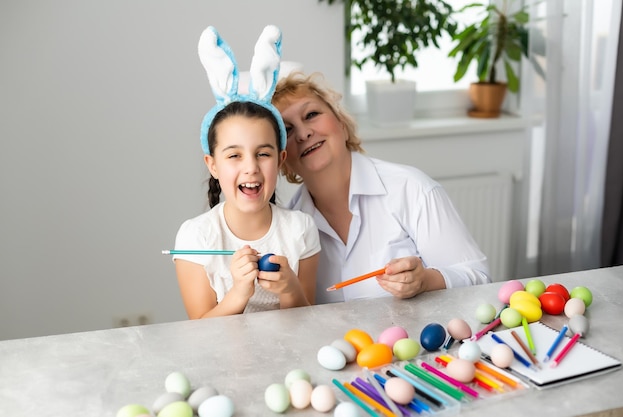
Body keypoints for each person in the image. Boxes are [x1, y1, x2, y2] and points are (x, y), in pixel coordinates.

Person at [272, 72, 491, 303]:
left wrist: (426, 280)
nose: (304, 133)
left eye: (312, 114)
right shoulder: (288, 226)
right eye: (287, 130)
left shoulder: (412, 189)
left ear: (342, 123)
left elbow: (480, 279)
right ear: (282, 160)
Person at [171, 26, 320, 318]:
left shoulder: (300, 230)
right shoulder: (196, 237)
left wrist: (290, 290)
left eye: (263, 154)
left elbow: (307, 325)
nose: (250, 167)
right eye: (234, 155)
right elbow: (199, 334)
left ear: (280, 160)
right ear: (212, 165)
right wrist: (239, 292)